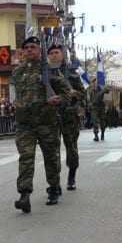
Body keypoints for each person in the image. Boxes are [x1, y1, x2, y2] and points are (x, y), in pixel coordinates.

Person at [12, 37, 71, 213]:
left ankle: (53, 187)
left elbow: (68, 93)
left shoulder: (50, 70)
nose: (29, 50)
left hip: (47, 121)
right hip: (25, 124)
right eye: (26, 48)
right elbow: (18, 94)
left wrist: (57, 99)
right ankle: (24, 195)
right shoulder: (18, 72)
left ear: (39, 50)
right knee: (26, 157)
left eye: (33, 47)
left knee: (51, 157)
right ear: (22, 52)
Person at [47, 44, 85, 191]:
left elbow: (83, 93)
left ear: (62, 55)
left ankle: (72, 176)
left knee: (71, 148)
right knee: (51, 150)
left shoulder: (72, 73)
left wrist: (74, 93)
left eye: (57, 52)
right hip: (51, 116)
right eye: (51, 53)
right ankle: (54, 182)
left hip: (69, 115)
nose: (54, 55)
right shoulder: (46, 73)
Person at [88, 77, 109, 142]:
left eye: (95, 82)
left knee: (102, 121)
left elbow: (107, 91)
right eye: (93, 82)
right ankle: (96, 135)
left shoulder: (100, 89)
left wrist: (104, 89)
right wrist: (90, 105)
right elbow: (90, 100)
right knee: (95, 121)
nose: (94, 84)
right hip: (94, 108)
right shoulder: (91, 91)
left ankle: (102, 133)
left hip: (101, 107)